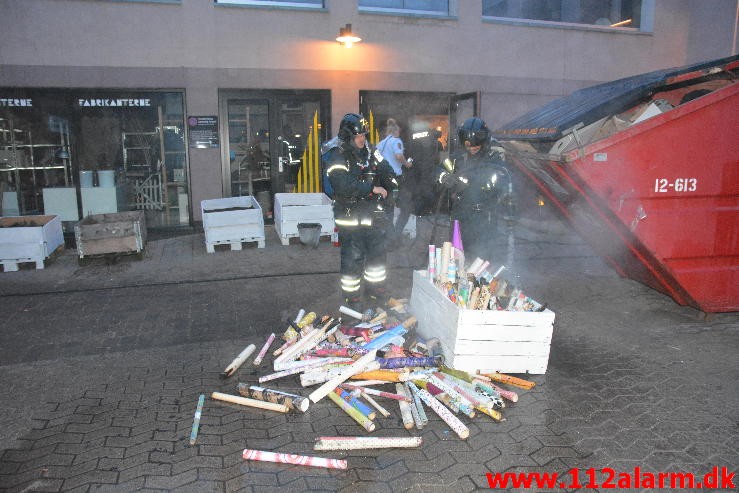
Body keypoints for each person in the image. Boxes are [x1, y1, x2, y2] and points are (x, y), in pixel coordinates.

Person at [323, 113, 399, 310]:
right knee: (353, 259)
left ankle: (376, 291)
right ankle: (352, 297)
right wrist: (371, 189)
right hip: (351, 217)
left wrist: (392, 187)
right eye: (358, 136)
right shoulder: (337, 156)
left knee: (377, 256)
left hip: (373, 216)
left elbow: (387, 170)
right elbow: (342, 185)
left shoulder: (371, 151)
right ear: (348, 136)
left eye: (364, 135)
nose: (362, 139)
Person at [437, 117, 514, 261]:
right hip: (460, 215)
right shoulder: (457, 159)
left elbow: (506, 183)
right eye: (469, 145)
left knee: (482, 258)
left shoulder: (495, 159)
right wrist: (445, 177)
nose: (472, 148)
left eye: (476, 145)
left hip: (485, 217)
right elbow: (439, 170)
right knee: (457, 256)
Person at [377, 118, 412, 248]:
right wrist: (406, 163)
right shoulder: (397, 141)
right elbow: (398, 156)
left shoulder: (381, 143)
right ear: (396, 131)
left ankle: (390, 239)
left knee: (388, 211)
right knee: (406, 208)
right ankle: (394, 238)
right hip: (396, 180)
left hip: (383, 180)